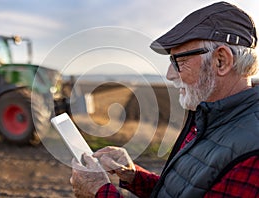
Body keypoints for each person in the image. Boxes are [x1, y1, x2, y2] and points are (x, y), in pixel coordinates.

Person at [70, 1, 259, 197]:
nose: (170, 74)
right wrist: (133, 175)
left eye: (179, 61)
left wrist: (99, 193)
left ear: (221, 61)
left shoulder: (252, 156)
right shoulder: (210, 119)